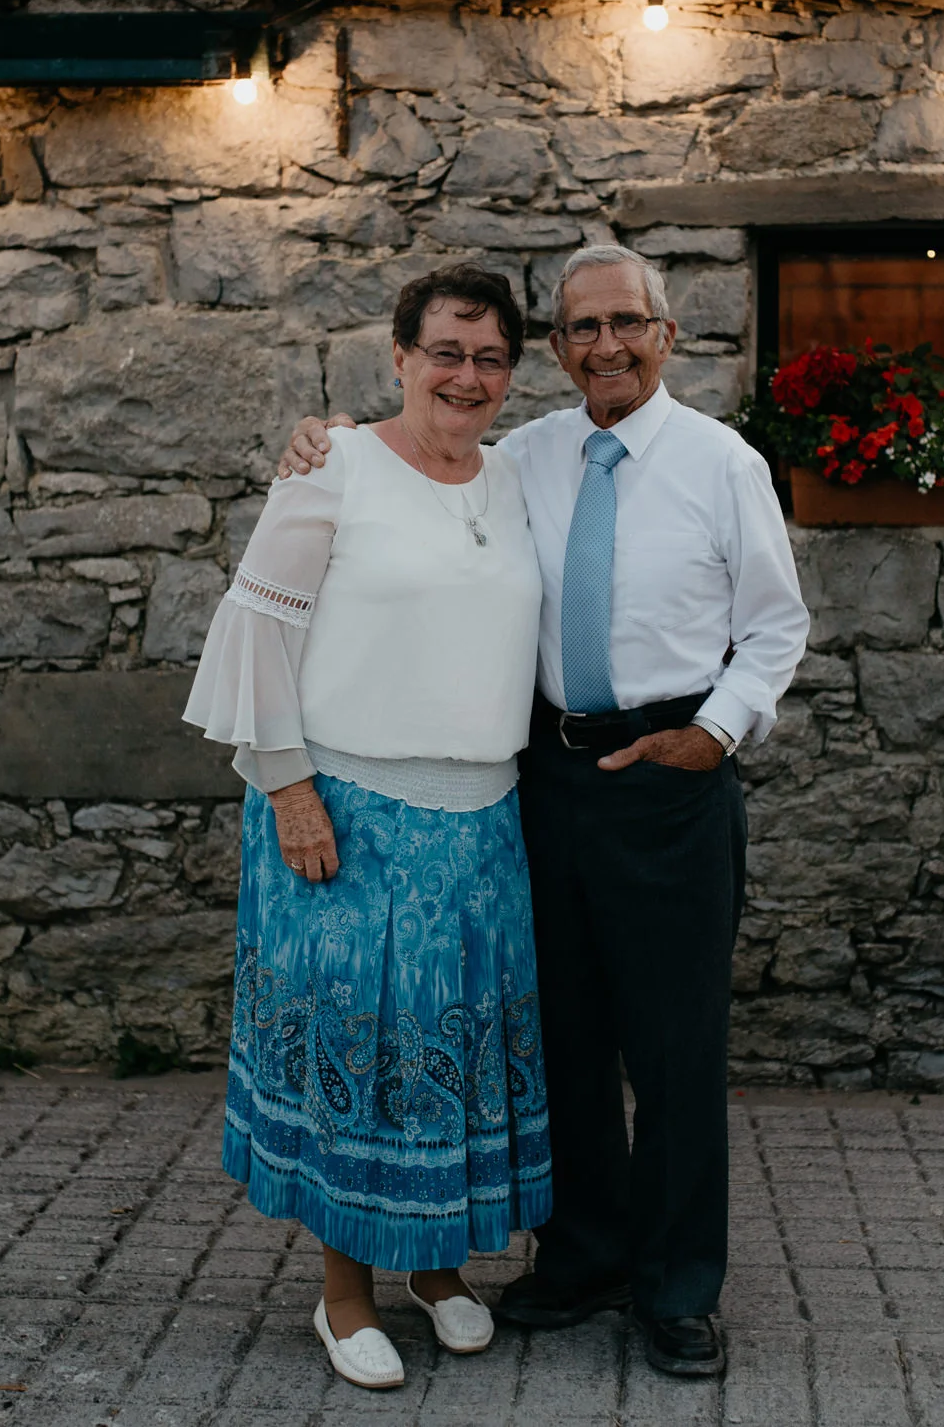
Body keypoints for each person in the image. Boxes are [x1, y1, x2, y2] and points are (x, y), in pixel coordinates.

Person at [283, 242, 809, 1379]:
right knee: (557, 1037)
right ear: (557, 349)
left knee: (673, 1050)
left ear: (665, 334)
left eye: (626, 323)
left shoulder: (724, 464)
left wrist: (711, 733)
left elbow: (774, 627)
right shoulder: (521, 456)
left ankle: (675, 1287)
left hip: (670, 772)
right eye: (580, 329)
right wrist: (315, 442)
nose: (604, 346)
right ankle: (582, 1255)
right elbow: (415, 458)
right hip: (544, 776)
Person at [184, 264, 551, 1392]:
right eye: (445, 350)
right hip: (348, 814)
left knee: (450, 1058)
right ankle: (345, 1296)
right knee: (369, 1062)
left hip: (482, 818)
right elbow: (254, 631)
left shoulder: (513, 478)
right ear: (399, 356)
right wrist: (289, 788)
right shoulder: (333, 466)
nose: (467, 375)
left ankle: (435, 1268)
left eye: (490, 357)